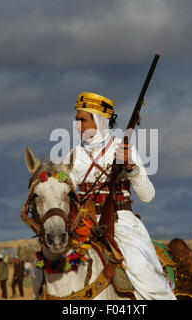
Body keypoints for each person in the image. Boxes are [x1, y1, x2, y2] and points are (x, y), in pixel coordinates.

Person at [64, 92, 175, 300]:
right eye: (76, 119)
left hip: (121, 223)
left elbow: (147, 196)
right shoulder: (73, 156)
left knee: (140, 270)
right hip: (83, 224)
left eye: (82, 120)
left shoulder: (123, 149)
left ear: (99, 121)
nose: (77, 125)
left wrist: (131, 167)